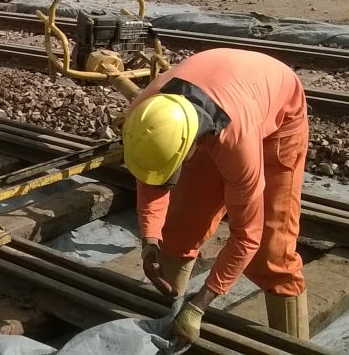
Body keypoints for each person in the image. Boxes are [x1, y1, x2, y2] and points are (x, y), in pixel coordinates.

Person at [123, 48, 310, 345]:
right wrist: (149, 239)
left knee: (272, 252)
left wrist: (199, 305)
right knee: (181, 228)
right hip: (221, 93)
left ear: (192, 144)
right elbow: (150, 177)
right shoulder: (146, 114)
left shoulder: (237, 146)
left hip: (278, 111)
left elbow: (248, 236)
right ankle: (167, 327)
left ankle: (292, 347)